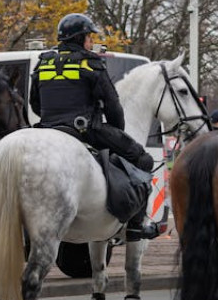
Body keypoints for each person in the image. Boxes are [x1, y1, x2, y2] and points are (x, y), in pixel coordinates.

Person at [30, 13, 156, 241]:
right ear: (79, 38)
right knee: (143, 160)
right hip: (85, 129)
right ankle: (137, 227)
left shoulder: (44, 61)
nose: (91, 42)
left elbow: (34, 103)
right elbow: (113, 106)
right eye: (88, 37)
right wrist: (118, 131)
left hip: (47, 129)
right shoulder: (90, 62)